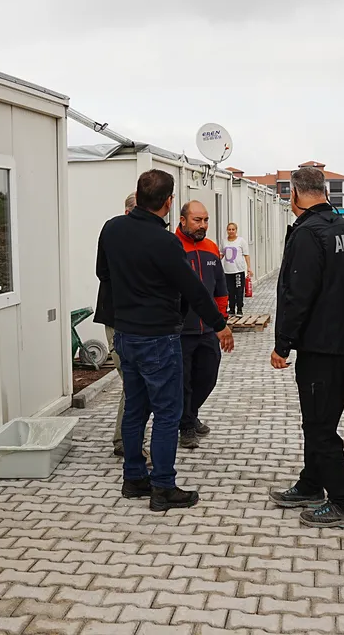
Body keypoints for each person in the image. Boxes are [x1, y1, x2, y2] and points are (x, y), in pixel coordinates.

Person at [97, 170, 235, 511]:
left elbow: (104, 273)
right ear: (169, 202)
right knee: (168, 413)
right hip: (158, 337)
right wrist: (220, 324)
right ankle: (162, 488)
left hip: (125, 335)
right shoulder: (165, 242)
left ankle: (133, 480)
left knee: (135, 408)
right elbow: (192, 288)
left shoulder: (112, 229)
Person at [268, 167, 344, 529]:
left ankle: (343, 503)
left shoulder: (309, 233)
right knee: (323, 419)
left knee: (319, 425)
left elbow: (298, 294)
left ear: (295, 193)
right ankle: (311, 484)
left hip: (320, 345)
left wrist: (283, 344)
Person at [176, 201, 229, 448]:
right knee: (183, 381)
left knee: (208, 377)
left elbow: (220, 288)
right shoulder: (172, 247)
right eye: (197, 220)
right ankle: (186, 425)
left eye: (206, 220)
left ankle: (189, 414)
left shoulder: (210, 248)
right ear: (183, 219)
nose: (203, 225)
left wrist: (221, 321)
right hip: (180, 331)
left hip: (208, 329)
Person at [99, 191, 141, 457]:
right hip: (117, 319)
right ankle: (125, 442)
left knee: (136, 382)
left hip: (137, 320)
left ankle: (127, 440)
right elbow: (103, 272)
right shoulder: (114, 232)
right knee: (132, 381)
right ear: (129, 212)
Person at [223, 222, 253, 316]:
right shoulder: (224, 241)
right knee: (230, 291)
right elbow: (221, 254)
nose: (231, 231)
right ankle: (231, 309)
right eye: (229, 229)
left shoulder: (241, 241)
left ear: (236, 230)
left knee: (239, 290)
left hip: (238, 271)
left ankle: (239, 309)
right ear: (227, 230)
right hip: (227, 271)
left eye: (233, 229)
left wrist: (249, 268)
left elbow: (246, 255)